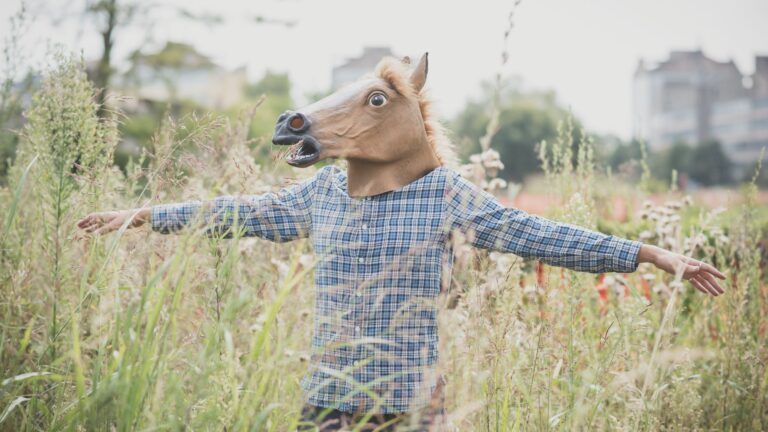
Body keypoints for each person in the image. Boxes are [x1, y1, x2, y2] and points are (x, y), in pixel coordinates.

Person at [77, 54, 725, 431]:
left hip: (410, 409)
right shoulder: (321, 195)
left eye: (381, 103)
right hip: (326, 403)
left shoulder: (450, 198)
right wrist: (142, 214)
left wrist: (650, 253)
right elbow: (237, 213)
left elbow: (543, 236)